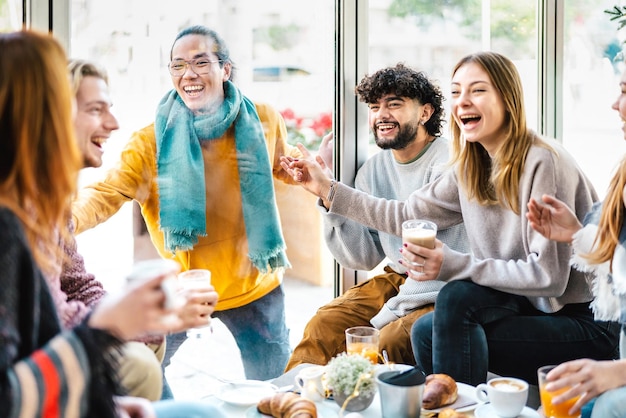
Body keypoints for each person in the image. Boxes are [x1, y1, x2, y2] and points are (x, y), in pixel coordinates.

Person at [280, 51, 620, 387]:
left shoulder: (542, 161)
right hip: (526, 304)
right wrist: (327, 190)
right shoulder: (472, 164)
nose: (463, 102)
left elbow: (549, 279)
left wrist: (451, 264)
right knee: (429, 328)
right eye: (457, 92)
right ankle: (451, 406)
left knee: (452, 300)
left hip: (582, 319)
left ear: (508, 98)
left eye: (478, 90)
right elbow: (405, 214)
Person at [0, 29, 225, 418]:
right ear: (35, 113)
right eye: (86, 108)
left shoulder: (43, 207)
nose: (114, 122)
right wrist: (114, 323)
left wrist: (114, 405)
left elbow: (72, 291)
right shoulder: (9, 226)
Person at [71, 24, 302, 384]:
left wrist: (312, 172)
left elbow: (282, 166)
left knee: (272, 388)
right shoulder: (149, 141)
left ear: (225, 69)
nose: (188, 75)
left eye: (199, 63)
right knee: (145, 378)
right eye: (177, 66)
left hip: (255, 284)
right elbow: (106, 193)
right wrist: (61, 221)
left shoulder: (264, 120)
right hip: (183, 287)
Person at [284, 64, 469, 371]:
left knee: (391, 341)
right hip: (398, 277)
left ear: (425, 113)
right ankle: (298, 403)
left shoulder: (450, 163)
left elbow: (413, 217)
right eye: (374, 107)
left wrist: (331, 189)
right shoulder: (372, 171)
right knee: (324, 324)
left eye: (394, 104)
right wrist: (327, 200)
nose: (381, 114)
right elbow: (362, 256)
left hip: (446, 284)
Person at [526, 64, 626, 418]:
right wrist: (575, 235)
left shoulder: (544, 159)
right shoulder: (623, 174)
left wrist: (616, 373)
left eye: (625, 91)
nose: (616, 104)